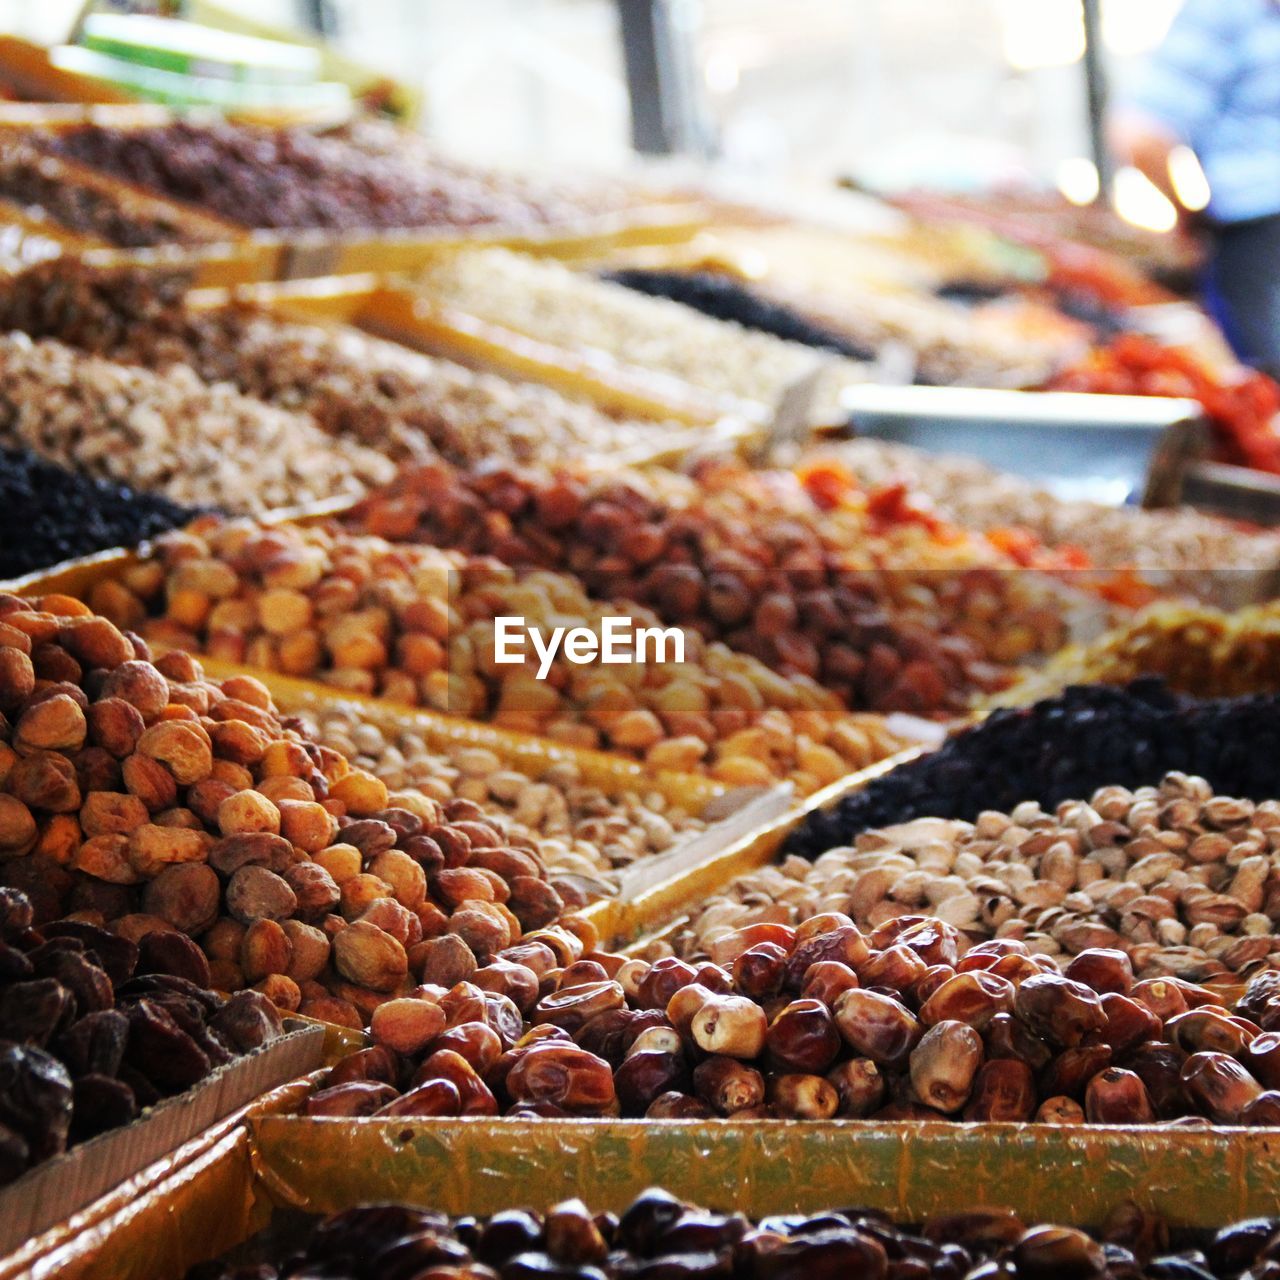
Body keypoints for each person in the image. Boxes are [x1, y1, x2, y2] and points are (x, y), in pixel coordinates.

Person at [1110, 0, 1280, 373]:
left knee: (1263, 397)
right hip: (1258, 235)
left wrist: (1186, 215)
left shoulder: (1224, 11)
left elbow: (1139, 136)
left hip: (1256, 240)